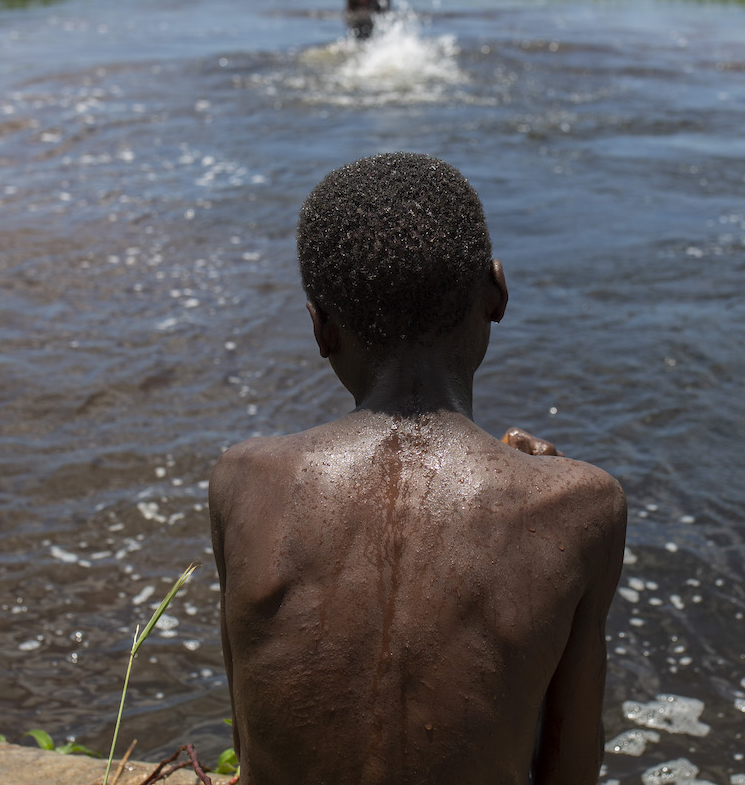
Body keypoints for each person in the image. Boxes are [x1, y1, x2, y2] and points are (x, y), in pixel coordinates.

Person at [209, 153, 627, 785]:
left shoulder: (241, 484)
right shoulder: (579, 509)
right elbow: (568, 775)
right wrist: (537, 490)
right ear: (497, 291)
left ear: (320, 328)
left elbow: (253, 751)